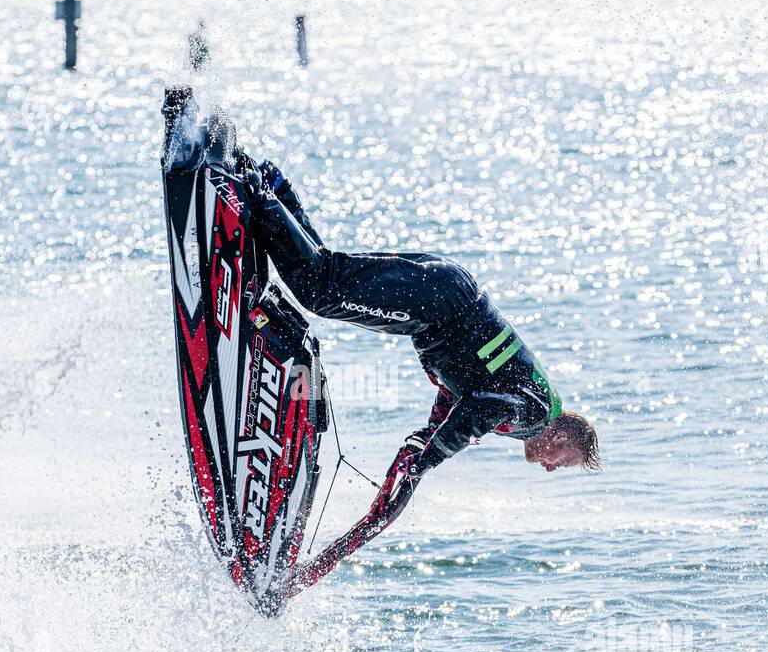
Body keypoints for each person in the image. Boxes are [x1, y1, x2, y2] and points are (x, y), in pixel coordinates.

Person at [241, 159, 600, 537]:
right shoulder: (537, 416)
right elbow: (484, 406)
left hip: (445, 296)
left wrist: (430, 435)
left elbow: (461, 392)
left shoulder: (532, 404)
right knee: (322, 290)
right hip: (442, 306)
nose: (548, 468)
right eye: (561, 462)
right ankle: (254, 191)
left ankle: (273, 185)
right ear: (560, 437)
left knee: (328, 274)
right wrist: (432, 457)